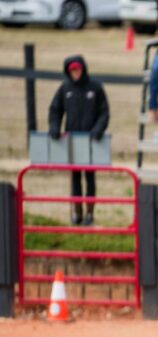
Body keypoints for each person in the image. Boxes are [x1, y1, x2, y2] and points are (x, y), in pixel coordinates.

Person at [48, 55, 109, 226]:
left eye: (78, 69)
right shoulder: (65, 89)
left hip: (91, 141)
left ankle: (90, 213)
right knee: (75, 177)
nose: (76, 73)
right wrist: (54, 128)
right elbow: (55, 110)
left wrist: (97, 130)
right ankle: (77, 213)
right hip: (72, 141)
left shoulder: (95, 87)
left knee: (90, 177)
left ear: (83, 69)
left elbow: (104, 112)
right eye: (72, 70)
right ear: (68, 71)